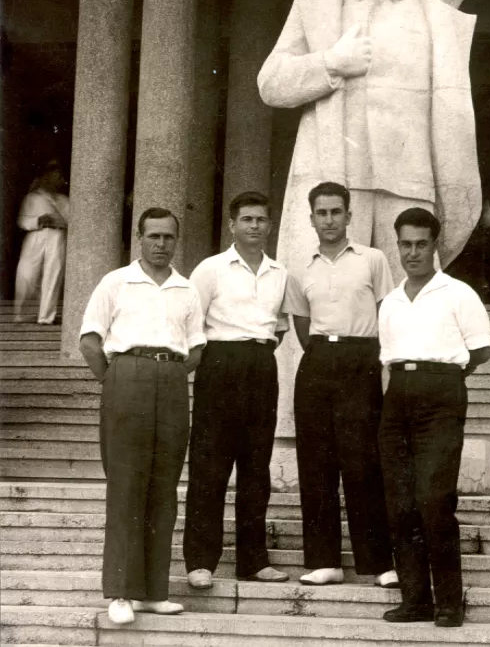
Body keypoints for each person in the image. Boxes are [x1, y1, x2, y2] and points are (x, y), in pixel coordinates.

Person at [258, 0, 480, 282]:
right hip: (333, 180)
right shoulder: (315, 3)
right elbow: (270, 83)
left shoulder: (433, 11)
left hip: (409, 182)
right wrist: (331, 63)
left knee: (410, 304)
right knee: (327, 299)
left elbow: (452, 115)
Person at [79, 208, 205, 626]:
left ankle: (154, 592)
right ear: (139, 238)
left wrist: (167, 375)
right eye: (154, 236)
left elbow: (197, 347)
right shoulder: (116, 282)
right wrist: (117, 380)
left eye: (168, 237)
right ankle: (120, 592)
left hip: (171, 381)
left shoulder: (186, 289)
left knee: (164, 488)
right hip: (126, 377)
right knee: (127, 486)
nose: (161, 244)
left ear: (176, 241)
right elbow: (90, 341)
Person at [378, 207, 490, 627]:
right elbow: (389, 356)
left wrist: (440, 379)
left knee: (434, 500)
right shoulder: (390, 301)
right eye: (405, 244)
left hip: (441, 396)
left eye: (421, 244)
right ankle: (415, 600)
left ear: (434, 246)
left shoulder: (458, 294)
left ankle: (448, 603)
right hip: (397, 398)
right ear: (398, 246)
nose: (413, 252)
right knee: (400, 504)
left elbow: (480, 351)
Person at [284, 181, 398, 588]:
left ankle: (378, 563)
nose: (329, 220)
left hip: (361, 359)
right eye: (322, 213)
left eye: (336, 212)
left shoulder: (373, 260)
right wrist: (325, 352)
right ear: (311, 218)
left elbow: (387, 312)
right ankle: (324, 560)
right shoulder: (301, 267)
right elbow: (301, 323)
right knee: (316, 463)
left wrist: (362, 357)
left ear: (349, 215)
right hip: (318, 361)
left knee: (364, 463)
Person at [184, 191, 290, 588]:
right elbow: (189, 319)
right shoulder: (210, 269)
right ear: (232, 225)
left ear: (269, 225)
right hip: (219, 363)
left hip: (261, 364)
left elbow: (280, 326)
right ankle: (200, 561)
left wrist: (256, 355)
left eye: (261, 219)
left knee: (256, 467)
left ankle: (253, 560)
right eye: (247, 219)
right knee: (209, 465)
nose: (254, 226)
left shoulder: (279, 273)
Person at [14, 159, 69, 324]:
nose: (58, 180)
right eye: (55, 175)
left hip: (58, 236)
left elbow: (73, 221)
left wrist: (61, 222)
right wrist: (38, 220)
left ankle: (46, 316)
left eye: (60, 177)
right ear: (46, 176)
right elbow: (22, 221)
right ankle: (21, 313)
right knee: (27, 274)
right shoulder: (33, 197)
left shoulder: (65, 200)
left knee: (53, 275)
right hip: (36, 236)